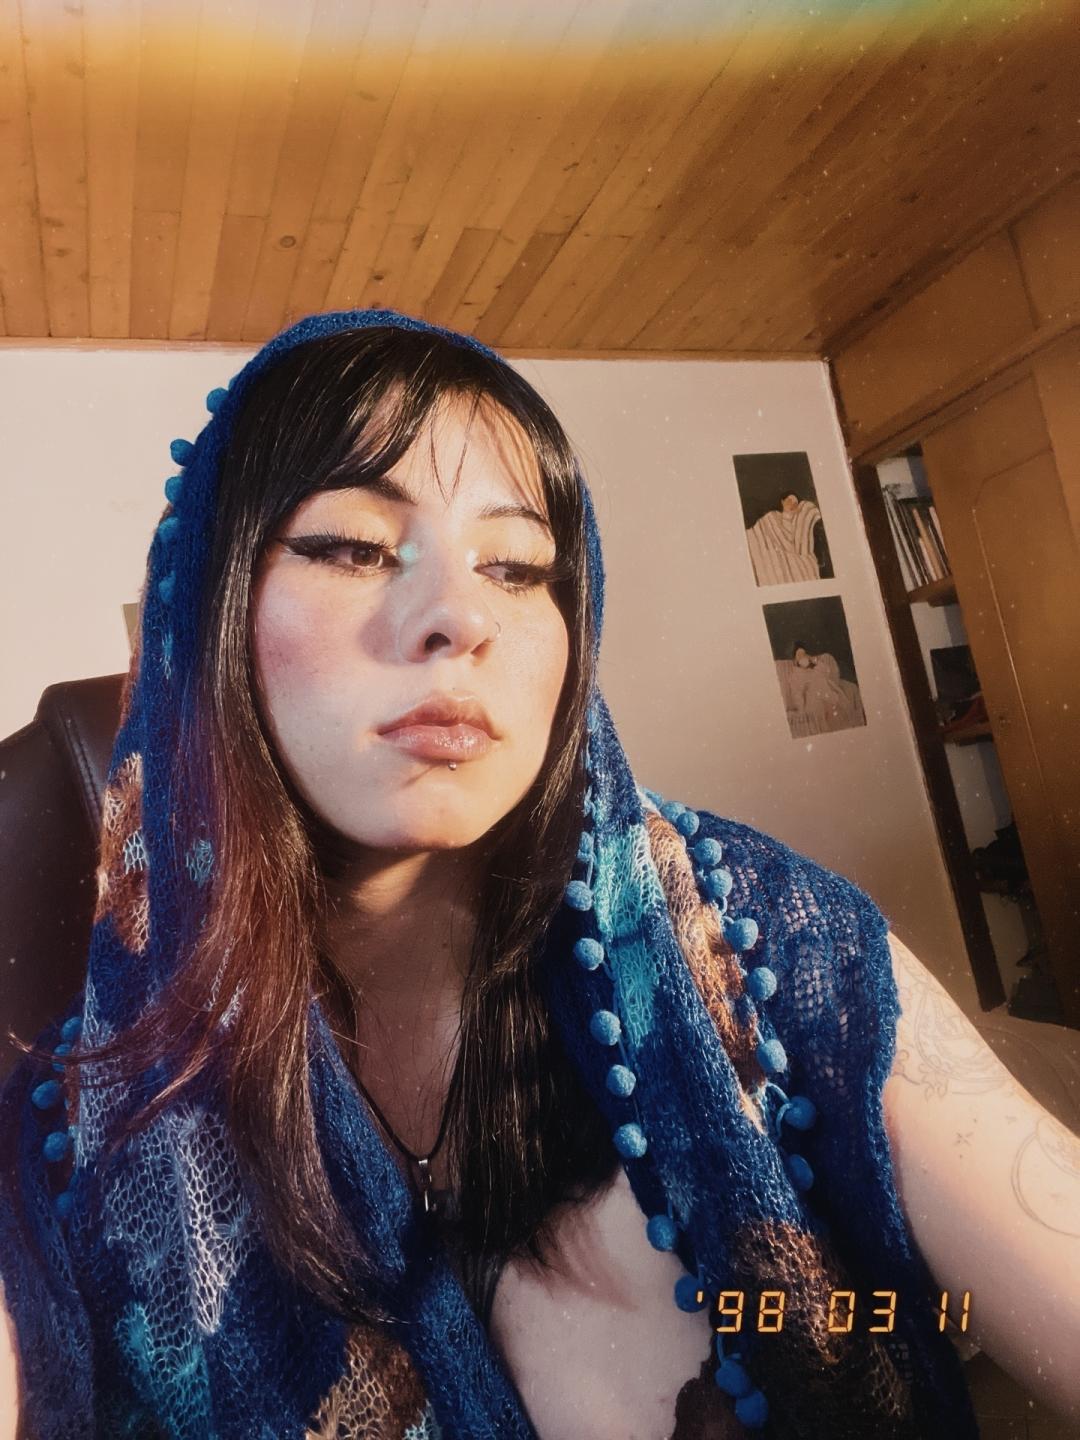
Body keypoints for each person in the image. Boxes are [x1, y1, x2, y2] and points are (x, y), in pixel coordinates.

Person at [0, 310, 1077, 1439]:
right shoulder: (75, 1165)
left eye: (518, 567)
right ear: (204, 619)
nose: (463, 616)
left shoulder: (766, 948)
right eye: (355, 547)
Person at [745, 492, 823, 586]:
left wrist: (791, 516)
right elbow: (759, 529)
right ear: (782, 502)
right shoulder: (773, 515)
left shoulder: (798, 522)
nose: (791, 505)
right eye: (789, 501)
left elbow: (798, 546)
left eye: (795, 504)